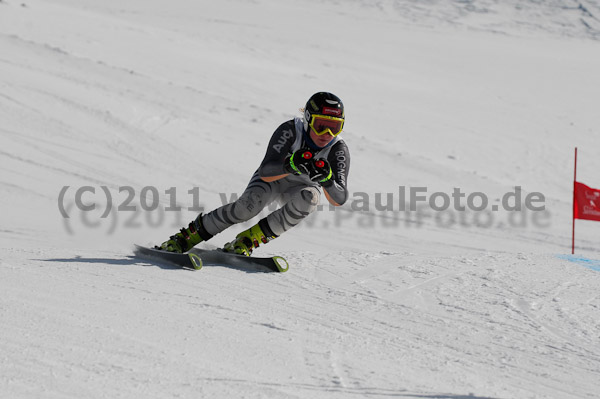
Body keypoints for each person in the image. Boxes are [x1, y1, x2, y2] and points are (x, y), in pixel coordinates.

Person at [157, 92, 351, 256]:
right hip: (274, 179)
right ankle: (184, 239)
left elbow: (339, 199)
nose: (327, 133)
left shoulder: (337, 148)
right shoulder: (291, 130)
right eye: (320, 125)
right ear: (308, 119)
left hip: (300, 188)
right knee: (246, 209)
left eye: (334, 127)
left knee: (310, 199)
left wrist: (327, 180)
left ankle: (246, 241)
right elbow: (266, 172)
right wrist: (290, 165)